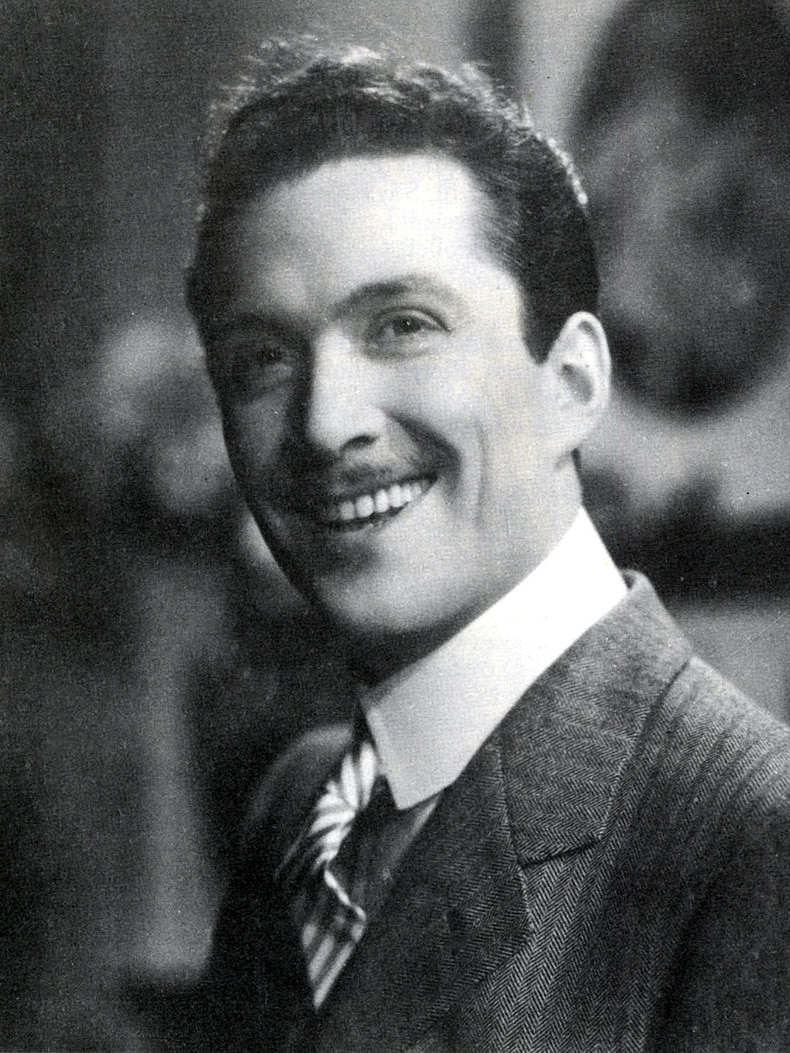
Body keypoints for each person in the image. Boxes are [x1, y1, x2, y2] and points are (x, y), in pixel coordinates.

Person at [185, 40, 790, 1051]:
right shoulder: (301, 808)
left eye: (402, 325)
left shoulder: (752, 844)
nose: (325, 422)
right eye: (261, 358)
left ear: (572, 383)